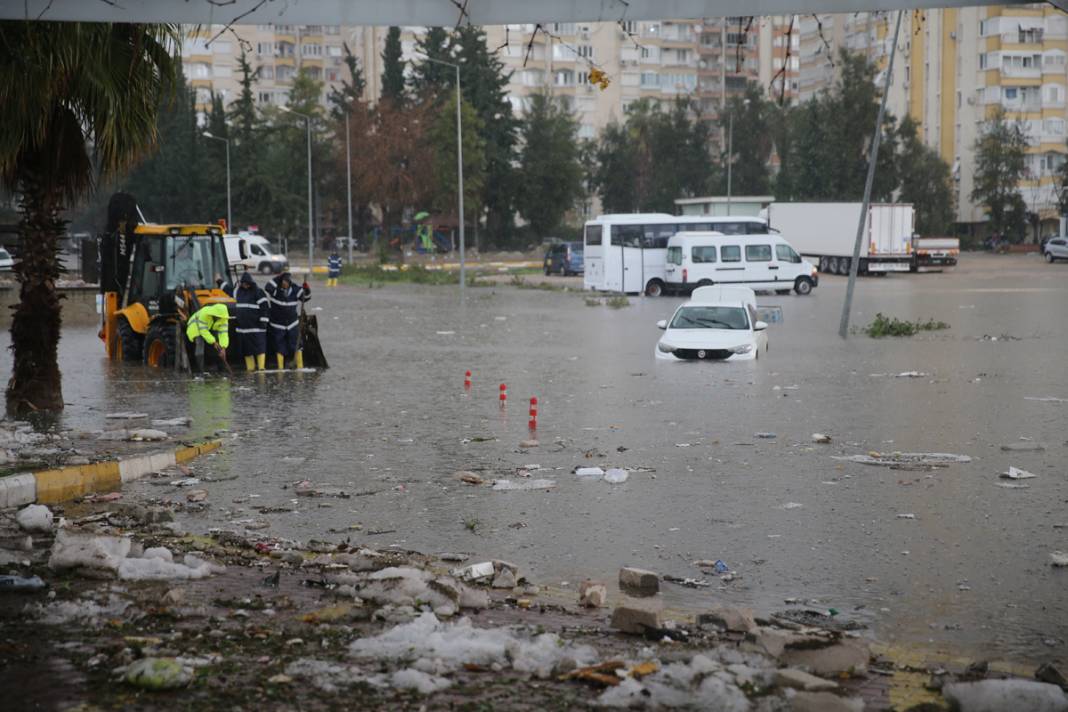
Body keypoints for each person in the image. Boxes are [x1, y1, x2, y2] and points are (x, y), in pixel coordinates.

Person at [264, 271, 310, 369]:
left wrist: (307, 289)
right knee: (279, 346)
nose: (285, 284)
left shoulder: (295, 290)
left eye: (287, 282)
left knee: (297, 344)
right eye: (283, 281)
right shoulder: (275, 290)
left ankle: (300, 366)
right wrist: (278, 277)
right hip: (277, 324)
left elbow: (306, 298)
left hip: (292, 324)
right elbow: (268, 287)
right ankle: (281, 368)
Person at [225, 272, 269, 371]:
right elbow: (228, 290)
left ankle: (261, 369)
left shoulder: (258, 292)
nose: (245, 285)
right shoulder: (238, 291)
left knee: (259, 348)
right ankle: (250, 370)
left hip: (257, 329)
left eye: (246, 283)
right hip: (243, 329)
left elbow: (264, 308)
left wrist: (263, 322)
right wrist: (219, 281)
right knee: (247, 350)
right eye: (243, 283)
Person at [185, 302, 232, 372]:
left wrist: (223, 347)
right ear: (215, 314)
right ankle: (200, 370)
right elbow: (203, 331)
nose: (220, 318)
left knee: (217, 343)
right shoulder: (204, 313)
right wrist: (213, 342)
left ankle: (220, 367)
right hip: (195, 327)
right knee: (200, 343)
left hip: (209, 327)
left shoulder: (223, 318)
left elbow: (224, 333)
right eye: (219, 316)